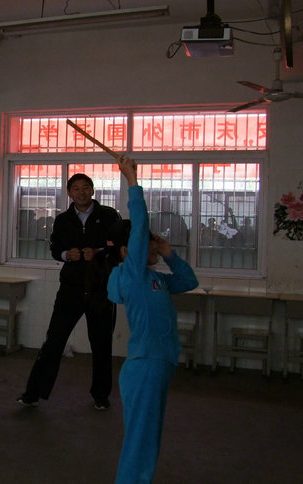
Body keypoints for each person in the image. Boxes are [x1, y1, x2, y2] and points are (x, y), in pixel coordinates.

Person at [107, 156, 199, 483]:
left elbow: (188, 281)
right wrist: (131, 179)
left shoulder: (154, 278)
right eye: (147, 243)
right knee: (141, 439)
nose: (152, 248)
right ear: (126, 251)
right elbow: (139, 222)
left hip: (158, 364)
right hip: (146, 365)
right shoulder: (132, 275)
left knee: (148, 437)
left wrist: (168, 252)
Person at [17, 173, 121, 410]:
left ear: (92, 190)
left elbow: (119, 247)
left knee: (102, 344)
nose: (81, 192)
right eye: (76, 188)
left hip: (101, 289)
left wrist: (99, 252)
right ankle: (33, 393)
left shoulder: (108, 215)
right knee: (54, 341)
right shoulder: (63, 220)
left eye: (85, 188)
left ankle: (101, 396)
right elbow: (55, 249)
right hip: (71, 289)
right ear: (69, 193)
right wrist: (67, 255)